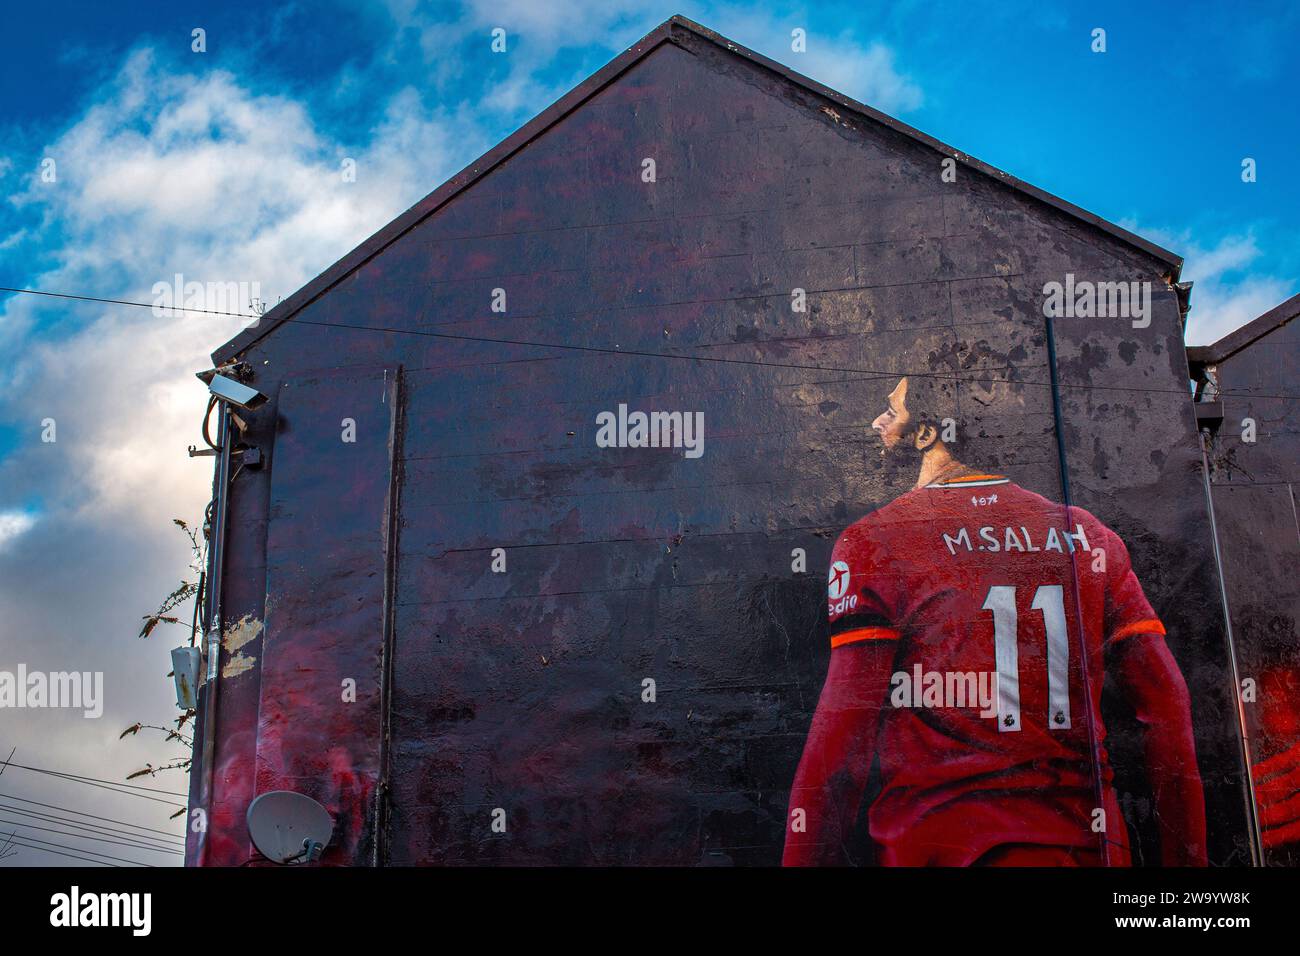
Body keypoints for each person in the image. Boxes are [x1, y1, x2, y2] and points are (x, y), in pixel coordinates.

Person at [783, 376, 1207, 866]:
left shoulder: (877, 540)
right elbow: (1168, 706)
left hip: (940, 849)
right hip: (1086, 850)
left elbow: (840, 750)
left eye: (893, 410)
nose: (879, 421)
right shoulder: (1088, 535)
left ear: (926, 434)